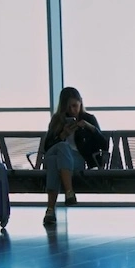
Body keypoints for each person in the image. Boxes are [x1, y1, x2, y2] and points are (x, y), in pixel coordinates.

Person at [42, 87, 106, 225]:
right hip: (61, 156)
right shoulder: (56, 120)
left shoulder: (89, 119)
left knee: (53, 161)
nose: (72, 110)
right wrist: (62, 136)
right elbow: (46, 148)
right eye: (68, 107)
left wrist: (90, 128)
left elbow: (105, 145)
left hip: (77, 160)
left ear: (81, 103)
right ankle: (69, 191)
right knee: (60, 149)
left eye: (75, 106)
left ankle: (50, 210)